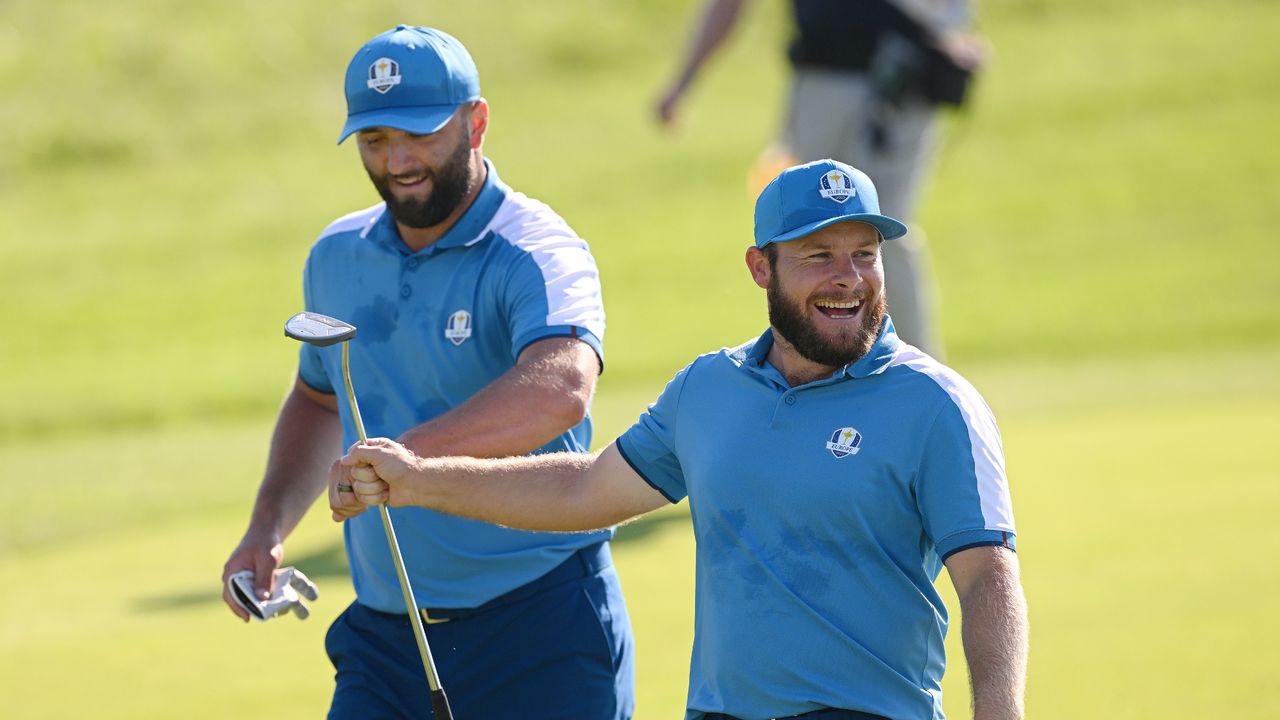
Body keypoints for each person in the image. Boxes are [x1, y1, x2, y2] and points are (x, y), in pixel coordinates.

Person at [334, 159, 1029, 720]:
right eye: (819, 255)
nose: (848, 276)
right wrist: (417, 477)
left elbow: (987, 577)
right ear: (762, 268)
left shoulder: (935, 404)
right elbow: (583, 488)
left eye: (864, 255)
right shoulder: (710, 389)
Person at [220, 25, 635, 720]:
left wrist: (403, 463)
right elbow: (319, 399)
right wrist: (267, 527)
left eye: (420, 134)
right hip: (387, 638)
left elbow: (560, 390)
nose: (399, 161)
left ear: (476, 123)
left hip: (541, 625)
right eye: (376, 141)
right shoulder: (336, 256)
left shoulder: (536, 249)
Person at [655, 0, 988, 359]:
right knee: (804, 227)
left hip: (896, 74)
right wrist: (684, 80)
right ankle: (810, 361)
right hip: (821, 80)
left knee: (882, 230)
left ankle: (916, 374)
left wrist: (951, 28)